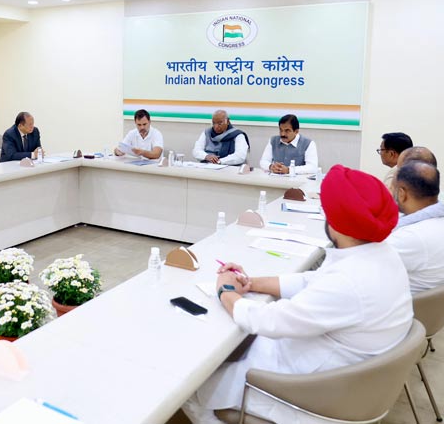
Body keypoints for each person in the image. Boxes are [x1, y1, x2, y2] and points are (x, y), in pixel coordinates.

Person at [183, 164, 411, 424]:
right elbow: (313, 280)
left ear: (337, 221)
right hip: (345, 378)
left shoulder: (348, 282)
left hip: (304, 393)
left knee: (188, 386)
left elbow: (268, 320)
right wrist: (250, 283)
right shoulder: (380, 255)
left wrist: (226, 291)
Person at [387, 161, 444, 294]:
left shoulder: (410, 237)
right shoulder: (434, 222)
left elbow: (363, 265)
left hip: (406, 308)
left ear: (401, 193)